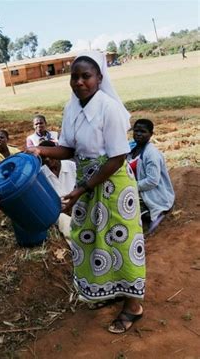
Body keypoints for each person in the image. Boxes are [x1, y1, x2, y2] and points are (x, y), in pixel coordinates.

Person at [27, 51, 145, 334]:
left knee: (121, 242)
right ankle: (109, 290)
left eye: (86, 76)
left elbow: (117, 157)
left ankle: (134, 305)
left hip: (113, 184)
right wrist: (40, 150)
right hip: (87, 184)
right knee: (89, 239)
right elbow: (69, 149)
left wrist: (81, 189)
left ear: (99, 79)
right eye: (74, 76)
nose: (79, 82)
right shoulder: (72, 109)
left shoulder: (109, 108)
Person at [128, 119, 175, 234]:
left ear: (151, 134)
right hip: (137, 189)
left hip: (152, 194)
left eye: (143, 131)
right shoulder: (132, 149)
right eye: (136, 130)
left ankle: (151, 217)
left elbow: (152, 181)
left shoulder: (151, 154)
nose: (138, 134)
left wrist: (130, 187)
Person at [39, 140, 76, 239]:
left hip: (77, 204)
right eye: (43, 157)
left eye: (50, 154)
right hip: (58, 211)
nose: (47, 159)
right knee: (66, 223)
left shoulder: (71, 166)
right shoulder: (41, 175)